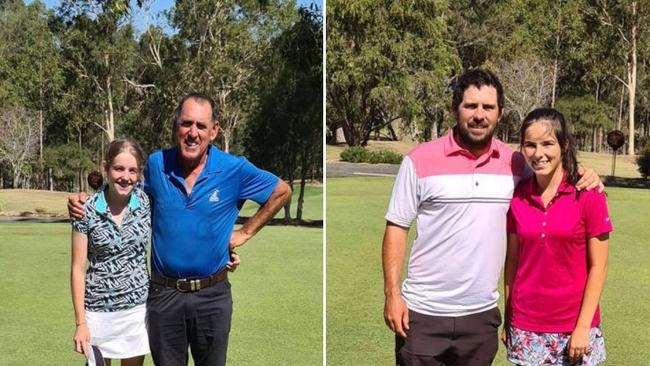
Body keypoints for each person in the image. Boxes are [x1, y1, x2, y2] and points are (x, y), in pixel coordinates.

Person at [382, 69, 603, 366]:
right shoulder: (419, 160)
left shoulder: (515, 164)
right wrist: (392, 294)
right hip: (422, 313)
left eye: (488, 107)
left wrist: (586, 174)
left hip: (481, 317)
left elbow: (551, 168)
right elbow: (397, 227)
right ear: (454, 109)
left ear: (500, 113)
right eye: (470, 106)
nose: (479, 115)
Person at [69, 93, 292, 366]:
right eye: (186, 123)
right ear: (176, 126)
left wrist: (243, 234)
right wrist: (84, 199)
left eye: (201, 126)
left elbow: (281, 191)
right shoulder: (156, 164)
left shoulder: (234, 168)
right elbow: (122, 189)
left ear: (214, 130)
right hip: (164, 296)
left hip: (213, 295)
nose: (193, 133)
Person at [502, 108, 611, 366]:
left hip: (574, 327)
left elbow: (599, 266)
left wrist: (583, 326)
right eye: (530, 145)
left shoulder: (588, 194)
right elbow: (513, 264)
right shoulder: (518, 197)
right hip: (526, 327)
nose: (538, 154)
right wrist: (509, 317)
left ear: (564, 145)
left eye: (548, 144)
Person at [71, 138, 150, 366]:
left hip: (137, 311)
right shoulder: (85, 210)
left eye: (132, 170)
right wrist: (80, 323)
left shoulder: (146, 203)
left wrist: (224, 251)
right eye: (118, 168)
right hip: (97, 314)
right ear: (106, 168)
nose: (125, 177)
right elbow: (77, 269)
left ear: (139, 173)